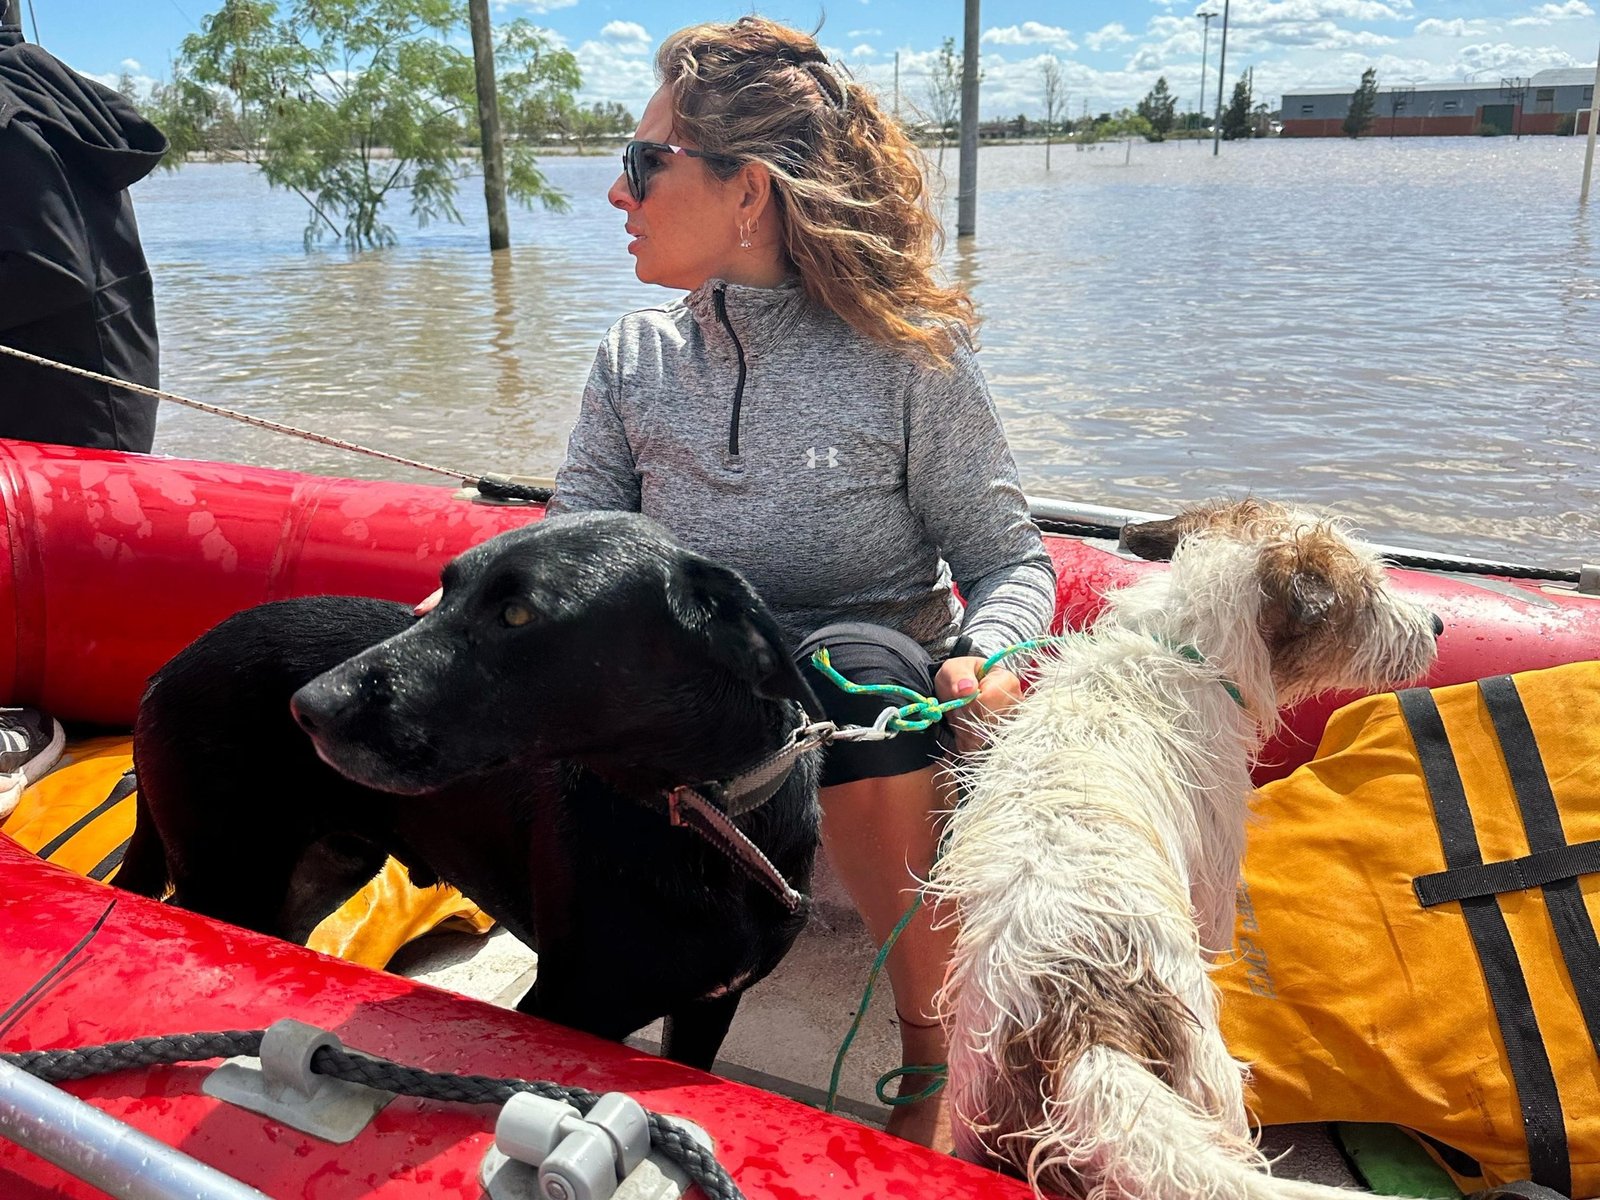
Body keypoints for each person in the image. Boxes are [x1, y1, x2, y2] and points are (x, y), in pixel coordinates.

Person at [547, 17, 1056, 1148]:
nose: (615, 192)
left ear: (748, 195)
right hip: (697, 681)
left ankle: (932, 1041)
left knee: (859, 673)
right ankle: (592, 993)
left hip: (859, 673)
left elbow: (1005, 558)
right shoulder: (632, 356)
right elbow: (576, 534)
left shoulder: (908, 353)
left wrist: (997, 652)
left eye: (643, 164)